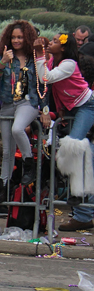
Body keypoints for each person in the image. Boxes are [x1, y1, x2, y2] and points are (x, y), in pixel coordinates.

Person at [34, 32, 94, 231]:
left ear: (63, 46)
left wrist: (39, 54)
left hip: (87, 106)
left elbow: (46, 78)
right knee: (78, 154)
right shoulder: (55, 63)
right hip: (73, 108)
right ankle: (81, 206)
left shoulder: (69, 63)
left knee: (73, 145)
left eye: (53, 41)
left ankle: (79, 197)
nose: (50, 43)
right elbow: (54, 88)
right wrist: (60, 109)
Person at [0, 21, 46, 205]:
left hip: (28, 102)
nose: (16, 40)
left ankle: (28, 164)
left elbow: (44, 84)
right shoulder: (3, 55)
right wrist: (3, 63)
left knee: (18, 129)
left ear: (27, 38)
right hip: (7, 103)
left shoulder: (34, 57)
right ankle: (3, 186)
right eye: (13, 37)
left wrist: (45, 110)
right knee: (7, 151)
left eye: (20, 37)